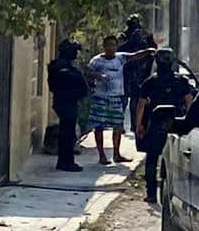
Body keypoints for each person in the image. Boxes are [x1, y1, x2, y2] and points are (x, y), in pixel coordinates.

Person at [136, 48, 195, 204]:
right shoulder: (181, 81)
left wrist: (139, 125)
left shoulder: (150, 81)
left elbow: (141, 105)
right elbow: (190, 102)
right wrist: (191, 122)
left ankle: (151, 194)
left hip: (155, 125)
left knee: (152, 160)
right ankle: (176, 194)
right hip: (177, 125)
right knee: (179, 160)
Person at [86, 35, 134, 166]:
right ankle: (101, 155)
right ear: (104, 46)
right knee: (99, 126)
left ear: (117, 47)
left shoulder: (120, 58)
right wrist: (98, 76)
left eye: (113, 45)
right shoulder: (96, 61)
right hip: (100, 97)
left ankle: (116, 154)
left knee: (118, 126)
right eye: (108, 45)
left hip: (116, 97)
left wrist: (149, 51)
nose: (111, 48)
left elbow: (135, 56)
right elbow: (88, 72)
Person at [47, 38, 89, 173]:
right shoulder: (65, 69)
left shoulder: (57, 66)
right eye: (74, 51)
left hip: (62, 102)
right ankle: (68, 162)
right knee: (68, 134)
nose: (76, 54)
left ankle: (63, 161)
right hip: (67, 103)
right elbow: (83, 88)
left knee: (65, 133)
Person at [118, 13, 157, 139]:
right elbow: (118, 51)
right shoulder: (123, 36)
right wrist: (132, 41)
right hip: (126, 72)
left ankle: (135, 125)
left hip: (140, 72)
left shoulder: (146, 35)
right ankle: (120, 125)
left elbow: (153, 51)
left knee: (135, 100)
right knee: (123, 100)